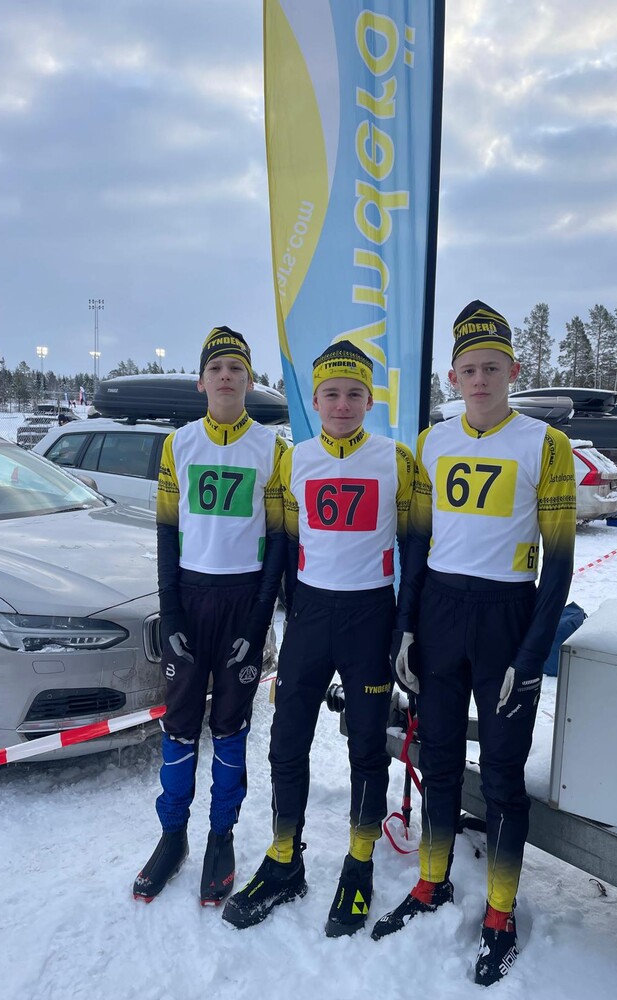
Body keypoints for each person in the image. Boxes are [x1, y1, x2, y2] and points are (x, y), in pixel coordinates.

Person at [371, 301, 577, 986]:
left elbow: (559, 564)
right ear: (453, 377)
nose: (480, 380)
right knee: (437, 757)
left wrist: (530, 654)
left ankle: (500, 913)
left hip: (506, 617)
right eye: (469, 370)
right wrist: (404, 626)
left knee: (501, 774)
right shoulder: (431, 443)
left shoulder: (545, 445)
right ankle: (432, 881)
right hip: (439, 613)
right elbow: (417, 543)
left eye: (492, 368)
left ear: (513, 371)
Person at [222, 341, 414, 937]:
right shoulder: (294, 459)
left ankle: (359, 862)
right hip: (309, 616)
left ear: (370, 400)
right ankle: (285, 859)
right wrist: (280, 614)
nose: (342, 404)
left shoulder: (396, 459)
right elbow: (282, 547)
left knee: (366, 749)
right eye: (331, 393)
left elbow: (417, 549)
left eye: (354, 393)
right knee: (286, 744)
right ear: (315, 398)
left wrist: (405, 627)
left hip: (369, 618)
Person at [133, 326, 287, 906]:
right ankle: (172, 835)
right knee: (178, 725)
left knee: (229, 726)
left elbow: (278, 542)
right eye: (216, 368)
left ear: (249, 381)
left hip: (242, 600)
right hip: (191, 601)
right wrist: (171, 613)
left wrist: (257, 621)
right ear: (201, 381)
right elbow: (166, 532)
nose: (226, 377)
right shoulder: (179, 444)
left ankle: (221, 836)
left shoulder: (273, 449)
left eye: (236, 369)